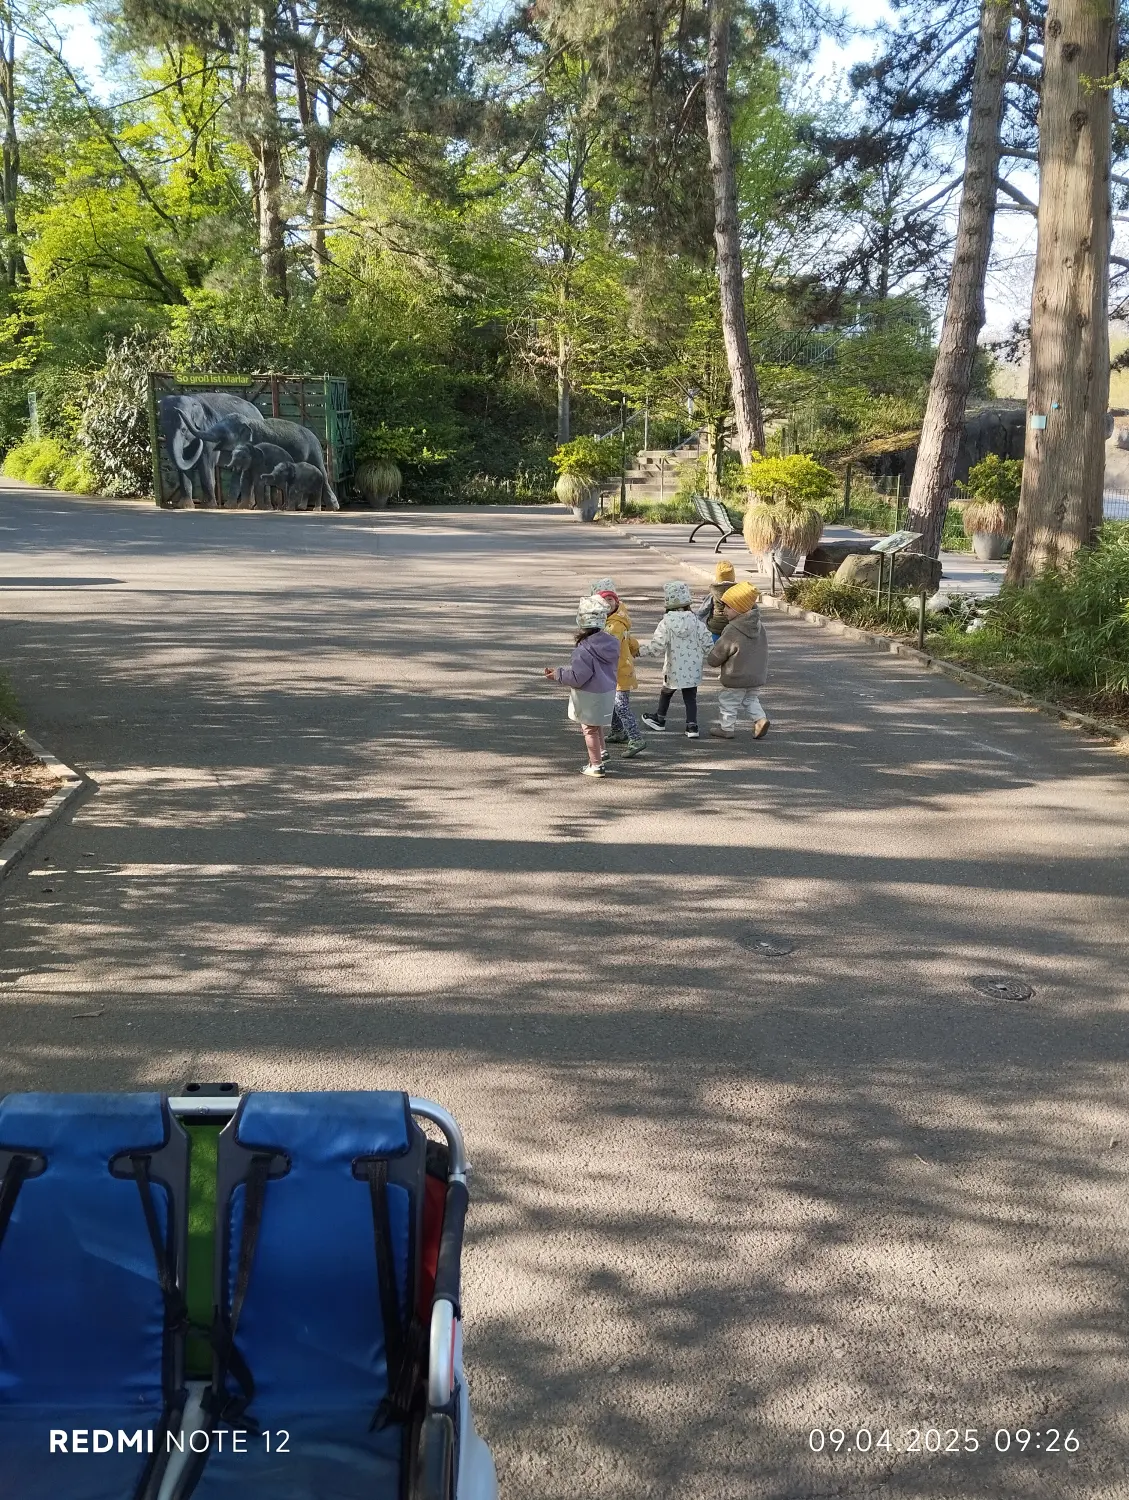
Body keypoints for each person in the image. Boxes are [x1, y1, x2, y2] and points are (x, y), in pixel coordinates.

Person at [543, 594, 621, 776]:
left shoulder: (583, 650)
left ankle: (596, 765)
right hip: (607, 690)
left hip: (589, 694)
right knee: (597, 724)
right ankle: (602, 752)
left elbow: (579, 677)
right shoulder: (611, 643)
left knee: (589, 729)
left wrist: (558, 674)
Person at [638, 580, 715, 738]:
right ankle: (692, 726)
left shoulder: (666, 623)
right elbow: (708, 643)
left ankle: (660, 718)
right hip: (692, 668)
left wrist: (640, 651)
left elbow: (657, 646)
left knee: (666, 692)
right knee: (690, 697)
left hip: (673, 667)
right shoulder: (696, 622)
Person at [706, 582, 770, 740]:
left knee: (728, 701)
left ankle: (726, 728)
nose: (724, 610)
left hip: (736, 676)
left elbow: (720, 652)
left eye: (728, 607)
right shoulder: (759, 626)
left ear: (739, 608)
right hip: (755, 676)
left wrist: (712, 659)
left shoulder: (732, 629)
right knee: (750, 699)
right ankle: (760, 720)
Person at [590, 581, 646, 758]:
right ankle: (618, 731)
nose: (607, 604)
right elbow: (628, 639)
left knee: (621, 707)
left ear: (616, 601)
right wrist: (634, 647)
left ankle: (636, 739)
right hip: (615, 671)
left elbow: (607, 646)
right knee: (613, 703)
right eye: (603, 601)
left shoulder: (614, 625)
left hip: (620, 672)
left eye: (610, 600)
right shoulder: (614, 620)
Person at [695, 559, 737, 641]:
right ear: (733, 576)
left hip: (715, 629)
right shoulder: (738, 592)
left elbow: (702, 611)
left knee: (713, 651)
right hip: (733, 629)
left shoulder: (713, 594)